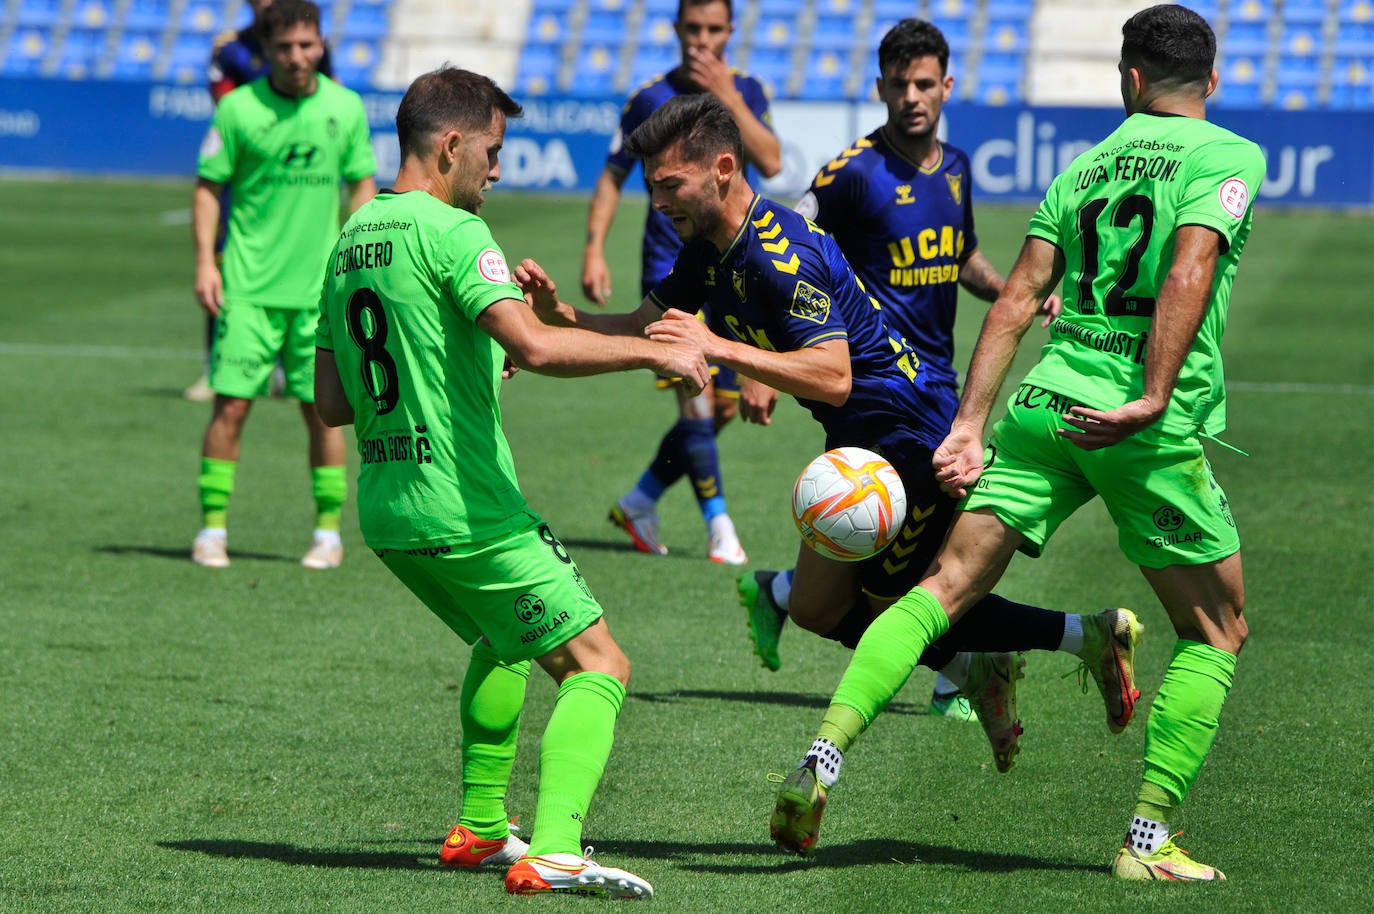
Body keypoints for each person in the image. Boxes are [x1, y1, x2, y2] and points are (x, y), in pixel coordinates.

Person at [770, 4, 1261, 881]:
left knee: (941, 590)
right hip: (1141, 428)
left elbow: (1014, 300)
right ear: (1210, 83)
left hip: (1041, 408)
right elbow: (1189, 266)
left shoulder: (1086, 167)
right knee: (1218, 630)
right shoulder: (1228, 155)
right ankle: (1147, 843)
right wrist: (1151, 395)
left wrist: (971, 425)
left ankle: (825, 754)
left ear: (1132, 80)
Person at [529, 92, 1140, 777]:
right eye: (651, 186)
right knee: (819, 607)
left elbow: (834, 375)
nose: (658, 199)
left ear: (723, 169)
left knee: (905, 605)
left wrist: (725, 349)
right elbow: (648, 322)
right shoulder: (707, 249)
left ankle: (1086, 635)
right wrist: (564, 316)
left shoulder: (778, 253)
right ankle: (982, 661)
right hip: (857, 442)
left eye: (669, 183)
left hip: (913, 436)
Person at [315, 66, 707, 899]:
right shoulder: (457, 235)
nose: (498, 170)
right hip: (469, 509)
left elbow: (333, 400)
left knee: (508, 640)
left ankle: (482, 827)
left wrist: (469, 361)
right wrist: (655, 349)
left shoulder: (352, 235)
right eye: (492, 152)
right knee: (599, 663)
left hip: (389, 512)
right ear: (450, 144)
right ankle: (560, 848)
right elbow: (536, 347)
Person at [740, 18, 1077, 724]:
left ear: (947, 85)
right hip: (879, 400)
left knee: (915, 570)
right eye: (899, 85)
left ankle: (785, 595)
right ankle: (976, 668)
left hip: (946, 394)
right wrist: (766, 368)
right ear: (880, 89)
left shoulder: (954, 166)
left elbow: (965, 258)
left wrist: (1021, 292)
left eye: (925, 84)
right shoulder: (853, 174)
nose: (912, 97)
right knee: (932, 575)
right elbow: (782, 246)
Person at [583, 0, 782, 564]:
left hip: (735, 266)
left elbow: (770, 160)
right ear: (675, 29)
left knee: (718, 409)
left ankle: (639, 500)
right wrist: (595, 246)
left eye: (713, 29)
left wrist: (731, 95)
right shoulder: (649, 97)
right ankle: (721, 528)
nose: (702, 40)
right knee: (696, 397)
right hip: (670, 268)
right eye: (692, 28)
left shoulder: (749, 90)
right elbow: (612, 178)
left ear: (730, 32)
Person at [190, 0, 376, 569]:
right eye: (285, 48)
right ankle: (212, 530)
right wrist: (206, 262)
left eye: (307, 46)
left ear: (321, 46)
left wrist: (357, 259)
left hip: (318, 296)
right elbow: (207, 188)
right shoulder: (238, 111)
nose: (297, 58)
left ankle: (327, 533)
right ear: (266, 51)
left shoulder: (345, 108)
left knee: (323, 412)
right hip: (246, 289)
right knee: (231, 409)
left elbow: (361, 184)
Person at [185, 0, 336, 402]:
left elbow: (326, 95)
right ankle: (215, 364)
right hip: (248, 172)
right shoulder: (230, 49)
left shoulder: (311, 38)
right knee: (224, 270)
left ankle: (287, 367)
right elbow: (228, 107)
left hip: (298, 168)